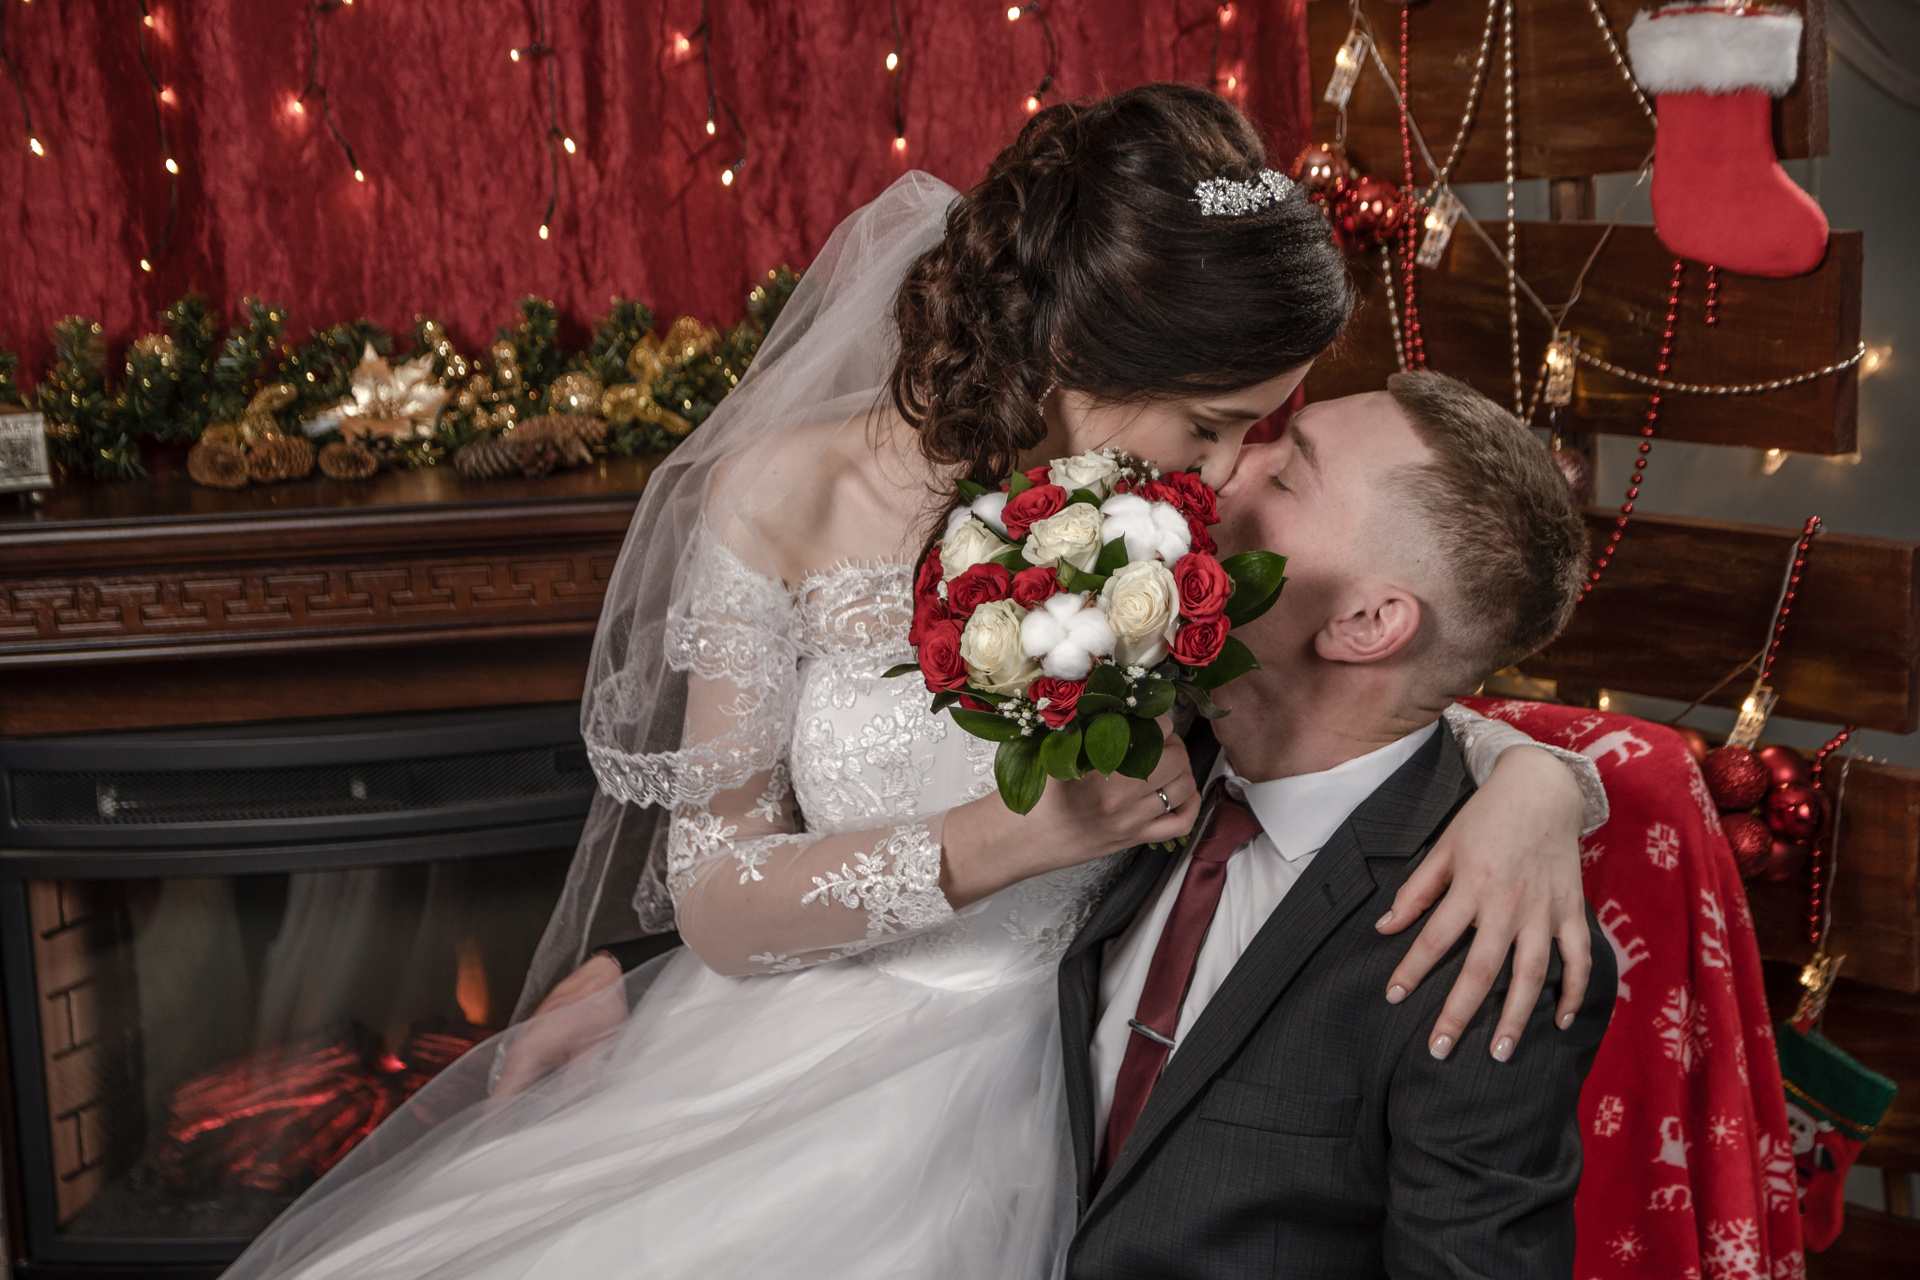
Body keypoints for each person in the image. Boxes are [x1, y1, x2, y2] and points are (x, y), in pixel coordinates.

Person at [220, 87, 1605, 1280]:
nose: (1230, 468)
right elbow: (717, 893)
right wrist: (1009, 837)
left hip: (1015, 1095)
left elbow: (1370, 697)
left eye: (1264, 432)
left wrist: (1542, 783)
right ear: (1087, 353)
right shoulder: (788, 497)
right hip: (775, 1052)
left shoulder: (1167, 537)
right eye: (1215, 422)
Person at [1062, 373, 1615, 1278]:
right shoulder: (1128, 698)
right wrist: (1537, 771)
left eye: (1286, 474)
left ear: (1365, 623)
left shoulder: (1482, 943)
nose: (1228, 467)